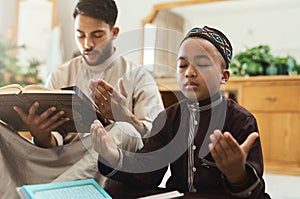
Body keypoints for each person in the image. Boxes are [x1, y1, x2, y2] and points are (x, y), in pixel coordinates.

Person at [91, 26, 271, 198]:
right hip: (181, 196)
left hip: (221, 196)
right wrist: (113, 156)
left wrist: (237, 174)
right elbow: (149, 173)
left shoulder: (241, 120)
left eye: (202, 64)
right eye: (183, 65)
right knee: (116, 190)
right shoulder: (169, 117)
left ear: (224, 76)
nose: (189, 73)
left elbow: (253, 191)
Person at [13, 0, 164, 150]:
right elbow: (52, 144)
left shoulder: (139, 77)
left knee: (123, 131)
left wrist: (124, 116)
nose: (87, 44)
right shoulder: (59, 75)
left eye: (97, 35)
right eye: (80, 35)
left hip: (112, 163)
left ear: (114, 33)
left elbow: (157, 139)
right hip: (64, 160)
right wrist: (41, 135)